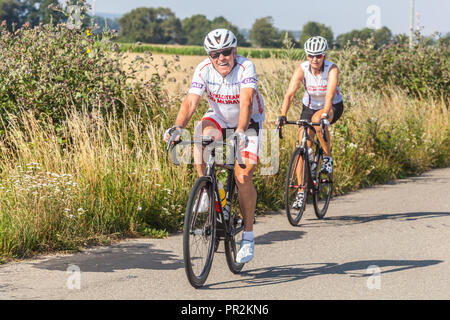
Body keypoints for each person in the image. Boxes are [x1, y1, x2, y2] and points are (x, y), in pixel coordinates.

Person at [164, 29, 265, 263]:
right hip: (219, 117)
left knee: (243, 177)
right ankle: (207, 189)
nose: (222, 58)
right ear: (209, 56)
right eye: (215, 53)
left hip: (247, 122)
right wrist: (178, 127)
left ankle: (248, 237)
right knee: (200, 134)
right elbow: (191, 101)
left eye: (226, 52)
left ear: (235, 51)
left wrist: (240, 131)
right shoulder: (203, 69)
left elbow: (247, 102)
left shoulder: (245, 67)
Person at [277, 36, 344, 209]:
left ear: (324, 55)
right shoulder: (302, 69)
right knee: (302, 145)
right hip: (309, 106)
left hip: (331, 106)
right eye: (311, 55)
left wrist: (324, 116)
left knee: (316, 122)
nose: (315, 59)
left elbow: (329, 94)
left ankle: (327, 158)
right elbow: (290, 94)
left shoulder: (331, 69)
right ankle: (301, 191)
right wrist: (282, 115)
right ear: (307, 55)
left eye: (319, 56)